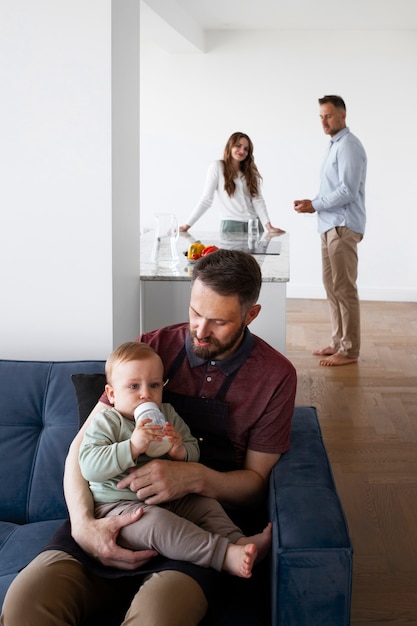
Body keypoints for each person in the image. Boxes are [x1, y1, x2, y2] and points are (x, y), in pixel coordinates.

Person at [1, 248, 297, 626]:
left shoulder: (276, 377)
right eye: (194, 313)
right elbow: (82, 447)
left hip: (193, 534)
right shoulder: (152, 348)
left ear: (251, 315)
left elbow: (257, 484)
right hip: (116, 513)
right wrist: (83, 525)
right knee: (28, 602)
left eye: (219, 322)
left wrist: (193, 477)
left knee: (158, 617)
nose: (200, 331)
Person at [79, 340, 272, 579]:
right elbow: (88, 465)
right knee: (159, 524)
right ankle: (223, 556)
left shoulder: (167, 414)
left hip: (168, 498)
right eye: (133, 386)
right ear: (112, 393)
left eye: (154, 385)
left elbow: (193, 449)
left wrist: (180, 450)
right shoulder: (107, 422)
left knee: (206, 505)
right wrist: (131, 446)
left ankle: (239, 541)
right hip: (119, 507)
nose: (145, 394)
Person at [294, 95, 367, 367]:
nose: (324, 121)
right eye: (321, 116)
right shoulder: (334, 146)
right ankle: (338, 341)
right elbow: (332, 189)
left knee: (345, 288)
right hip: (328, 225)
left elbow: (347, 191)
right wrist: (312, 203)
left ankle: (350, 351)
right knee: (332, 287)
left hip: (343, 226)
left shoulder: (349, 145)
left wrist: (315, 205)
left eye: (329, 115)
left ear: (343, 115)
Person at [180, 131, 285, 235]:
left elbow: (257, 200)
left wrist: (269, 227)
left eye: (246, 149)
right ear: (230, 146)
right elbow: (206, 199)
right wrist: (186, 225)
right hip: (232, 226)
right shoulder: (217, 167)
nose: (242, 151)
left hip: (254, 225)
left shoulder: (251, 171)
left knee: (257, 253)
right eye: (238, 146)